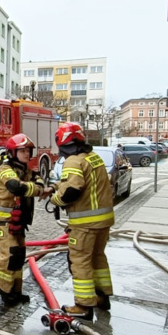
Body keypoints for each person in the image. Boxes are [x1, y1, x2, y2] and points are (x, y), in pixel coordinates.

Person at [47, 122, 115, 319]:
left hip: (85, 224)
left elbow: (72, 189)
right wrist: (56, 185)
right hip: (103, 222)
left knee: (80, 261)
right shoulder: (94, 158)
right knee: (98, 258)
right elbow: (82, 182)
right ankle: (102, 296)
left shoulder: (73, 161)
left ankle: (84, 305)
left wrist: (54, 199)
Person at [0, 134, 47, 306]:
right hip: (1, 220)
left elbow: (39, 180)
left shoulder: (26, 170)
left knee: (19, 254)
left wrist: (40, 184)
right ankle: (2, 288)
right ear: (13, 152)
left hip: (17, 220)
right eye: (22, 150)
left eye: (28, 150)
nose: (27, 154)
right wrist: (39, 188)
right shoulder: (5, 169)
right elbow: (16, 187)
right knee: (10, 253)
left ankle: (15, 290)